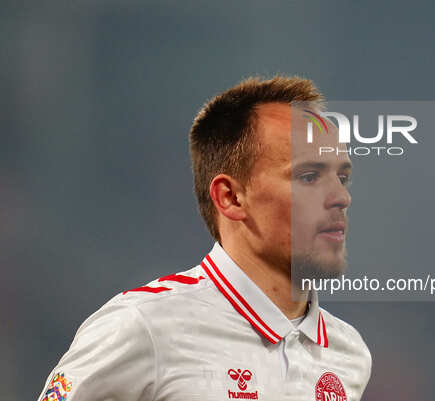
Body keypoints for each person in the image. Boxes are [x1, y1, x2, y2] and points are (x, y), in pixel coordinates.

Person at [37, 76, 372, 401]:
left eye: (343, 177)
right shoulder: (144, 327)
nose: (341, 197)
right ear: (230, 197)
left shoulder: (349, 353)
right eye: (309, 176)